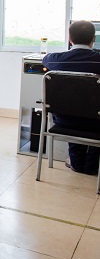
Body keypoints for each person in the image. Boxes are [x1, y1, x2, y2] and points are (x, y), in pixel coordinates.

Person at [42, 20, 100, 175]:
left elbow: (44, 59)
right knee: (90, 110)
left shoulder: (55, 60)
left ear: (69, 38)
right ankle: (91, 166)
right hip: (95, 122)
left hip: (64, 120)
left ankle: (76, 163)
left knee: (72, 106)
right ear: (93, 39)